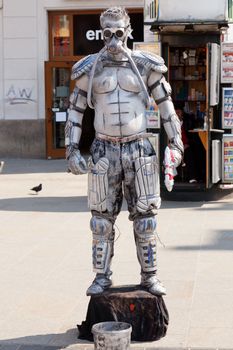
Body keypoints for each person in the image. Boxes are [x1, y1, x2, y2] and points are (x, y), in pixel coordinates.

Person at [65, 7, 183, 296]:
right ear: (101, 34)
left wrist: (175, 144)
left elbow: (166, 107)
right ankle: (102, 276)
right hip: (104, 150)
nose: (114, 40)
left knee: (146, 219)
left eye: (119, 33)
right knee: (100, 221)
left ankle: (150, 276)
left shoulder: (146, 65)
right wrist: (71, 149)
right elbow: (75, 111)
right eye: (107, 33)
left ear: (129, 32)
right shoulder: (89, 68)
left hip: (139, 147)